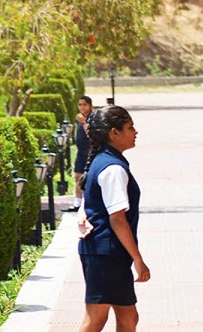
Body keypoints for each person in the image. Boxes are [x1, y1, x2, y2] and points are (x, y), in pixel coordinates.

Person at [76, 105, 149, 332]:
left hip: (107, 252)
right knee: (96, 318)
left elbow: (93, 197)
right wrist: (137, 258)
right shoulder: (112, 167)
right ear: (114, 133)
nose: (135, 131)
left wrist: (82, 212)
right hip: (105, 253)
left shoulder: (104, 160)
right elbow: (117, 218)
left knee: (128, 317)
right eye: (130, 127)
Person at [63, 95, 95, 212]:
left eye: (85, 105)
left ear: (90, 105)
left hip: (90, 152)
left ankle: (90, 202)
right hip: (81, 152)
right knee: (77, 176)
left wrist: (84, 122)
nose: (82, 107)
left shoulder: (93, 118)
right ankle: (77, 202)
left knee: (90, 177)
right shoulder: (79, 118)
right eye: (80, 105)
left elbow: (90, 135)